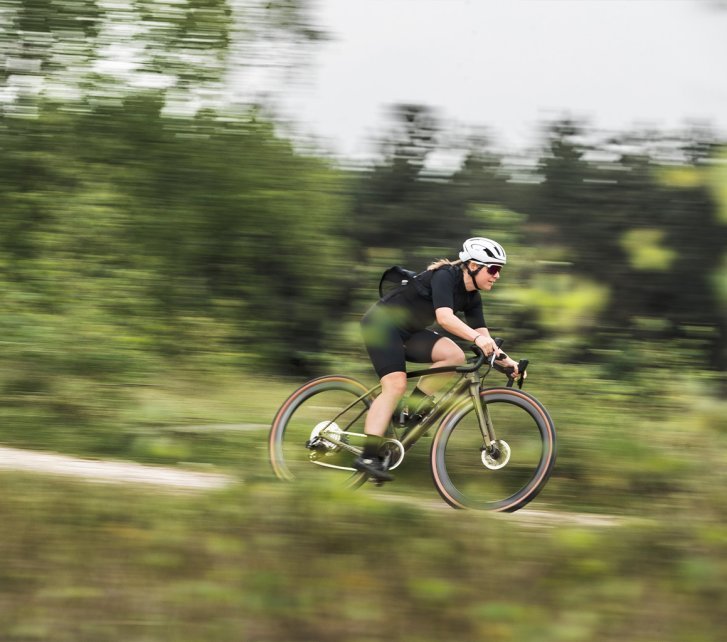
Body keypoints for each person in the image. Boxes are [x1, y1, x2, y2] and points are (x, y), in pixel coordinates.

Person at [357, 237, 524, 481]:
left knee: (454, 355)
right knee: (395, 385)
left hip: (409, 333)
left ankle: (407, 410)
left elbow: (484, 338)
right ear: (474, 266)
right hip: (381, 325)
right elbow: (445, 318)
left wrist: (508, 363)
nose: (497, 275)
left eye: (499, 270)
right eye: (494, 269)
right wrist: (478, 341)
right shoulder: (446, 275)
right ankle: (367, 456)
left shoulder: (473, 296)